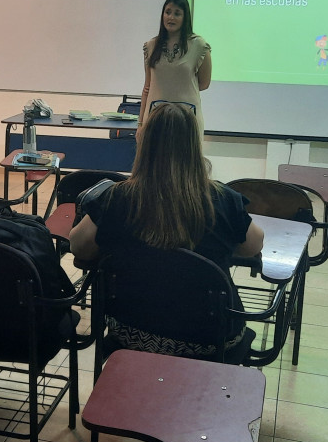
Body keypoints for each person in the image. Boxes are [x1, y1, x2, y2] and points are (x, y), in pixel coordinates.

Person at [69, 102, 264, 356]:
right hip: (210, 340)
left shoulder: (116, 198)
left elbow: (78, 247)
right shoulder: (224, 199)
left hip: (132, 334)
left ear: (145, 145)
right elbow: (253, 247)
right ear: (195, 147)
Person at [140, 0, 212, 134]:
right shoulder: (151, 46)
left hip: (187, 118)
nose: (171, 17)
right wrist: (140, 123)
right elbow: (147, 87)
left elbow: (204, 83)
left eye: (177, 14)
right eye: (168, 12)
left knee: (185, 156)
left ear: (185, 18)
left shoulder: (198, 45)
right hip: (155, 118)